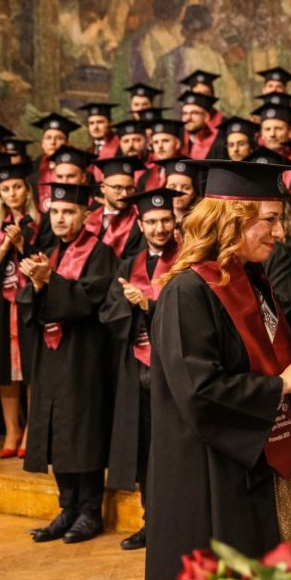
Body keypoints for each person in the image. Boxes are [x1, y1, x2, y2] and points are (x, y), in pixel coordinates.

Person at [145, 159, 291, 580]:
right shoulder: (187, 291)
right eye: (269, 220)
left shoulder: (253, 281)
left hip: (266, 460)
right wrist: (281, 385)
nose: (281, 233)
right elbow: (200, 390)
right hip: (214, 472)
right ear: (231, 221)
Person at [18, 182, 118, 545]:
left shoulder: (101, 253)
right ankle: (67, 507)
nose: (61, 218)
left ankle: (90, 511)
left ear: (85, 215)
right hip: (51, 354)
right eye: (56, 211)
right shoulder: (50, 253)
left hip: (85, 356)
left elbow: (91, 300)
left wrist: (49, 281)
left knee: (82, 430)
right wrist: (38, 284)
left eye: (69, 211)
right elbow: (28, 302)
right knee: (56, 427)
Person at [101, 189, 183, 552]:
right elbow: (109, 311)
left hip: (177, 372)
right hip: (138, 370)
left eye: (165, 219)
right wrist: (133, 308)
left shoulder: (187, 261)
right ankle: (151, 523)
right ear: (140, 224)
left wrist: (150, 304)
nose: (160, 227)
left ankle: (178, 524)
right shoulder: (127, 264)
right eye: (151, 221)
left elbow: (192, 313)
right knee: (146, 449)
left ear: (174, 220)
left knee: (175, 448)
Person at [0, 161, 48, 459]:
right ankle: (11, 428)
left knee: (31, 368)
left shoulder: (42, 223)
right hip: (1, 304)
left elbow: (44, 260)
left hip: (30, 303)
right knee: (6, 371)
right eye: (6, 188)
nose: (12, 193)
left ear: (28, 189)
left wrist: (21, 244)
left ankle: (32, 430)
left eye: (17, 187)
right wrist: (4, 246)